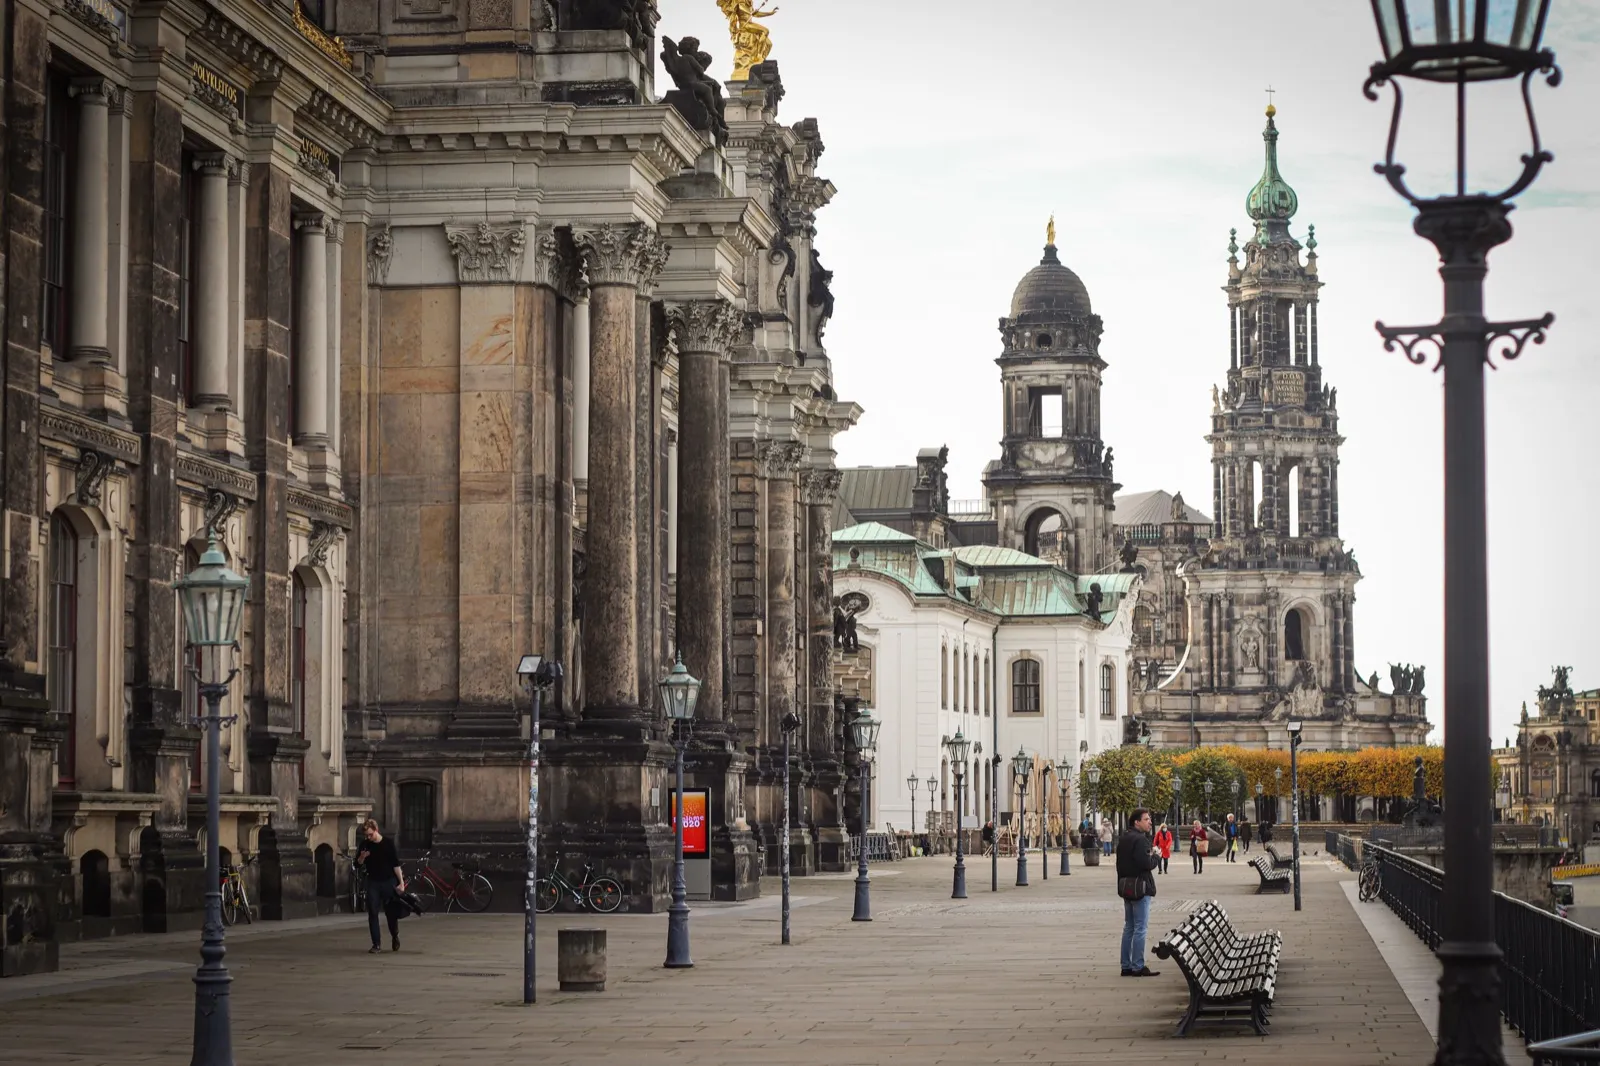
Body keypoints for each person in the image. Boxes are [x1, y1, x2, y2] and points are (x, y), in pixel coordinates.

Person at [1115, 807, 1161, 978]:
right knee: (1140, 928)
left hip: (1126, 886)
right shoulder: (1140, 840)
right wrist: (1156, 856)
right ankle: (1138, 966)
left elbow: (1120, 864)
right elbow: (1146, 864)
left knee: (1129, 927)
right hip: (1140, 888)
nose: (1150, 822)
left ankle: (1126, 965)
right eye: (1146, 819)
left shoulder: (1124, 838)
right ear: (1137, 822)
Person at [357, 818, 407, 953]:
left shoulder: (388, 844)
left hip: (388, 882)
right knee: (373, 912)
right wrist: (362, 858)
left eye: (370, 834)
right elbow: (357, 864)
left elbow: (396, 865)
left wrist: (401, 883)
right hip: (373, 882)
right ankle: (376, 944)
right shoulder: (365, 845)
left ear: (376, 830)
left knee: (390, 913)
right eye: (366, 835)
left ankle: (395, 935)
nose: (368, 837)